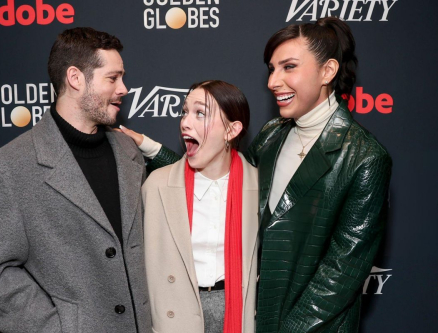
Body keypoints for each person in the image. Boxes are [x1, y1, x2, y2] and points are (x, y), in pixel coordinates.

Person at [122, 17, 392, 333]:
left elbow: (342, 273)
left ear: (328, 71)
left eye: (288, 67)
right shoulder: (272, 136)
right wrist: (152, 150)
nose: (272, 82)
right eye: (272, 69)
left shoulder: (365, 157)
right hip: (256, 317)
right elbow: (220, 179)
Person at [0, 27, 151, 332]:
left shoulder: (128, 152)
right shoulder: (7, 168)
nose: (124, 88)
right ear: (76, 78)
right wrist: (60, 328)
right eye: (112, 78)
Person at [141, 80, 258, 333]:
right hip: (176, 315)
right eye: (185, 112)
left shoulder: (259, 188)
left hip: (236, 315)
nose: (185, 122)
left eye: (200, 113)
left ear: (232, 130)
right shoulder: (157, 186)